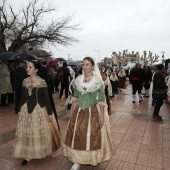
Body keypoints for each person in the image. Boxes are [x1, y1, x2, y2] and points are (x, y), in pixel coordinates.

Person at [63, 57, 115, 170]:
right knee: (77, 134)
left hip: (93, 111)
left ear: (92, 66)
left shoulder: (98, 81)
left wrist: (101, 115)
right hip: (78, 110)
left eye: (87, 65)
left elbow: (101, 100)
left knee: (91, 136)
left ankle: (91, 158)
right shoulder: (78, 79)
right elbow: (75, 96)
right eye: (83, 64)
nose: (84, 67)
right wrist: (71, 109)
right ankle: (77, 161)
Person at [13, 61, 61, 165]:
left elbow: (47, 99)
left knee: (37, 131)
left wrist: (49, 113)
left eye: (30, 67)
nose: (27, 69)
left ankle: (39, 151)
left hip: (39, 110)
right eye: (27, 67)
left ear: (36, 70)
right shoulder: (25, 81)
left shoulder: (42, 82)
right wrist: (19, 109)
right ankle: (28, 154)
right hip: (26, 109)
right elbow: (23, 97)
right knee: (28, 131)